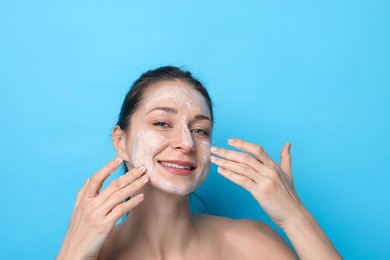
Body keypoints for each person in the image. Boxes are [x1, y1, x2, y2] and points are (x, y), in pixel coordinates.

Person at [56, 66, 340, 259]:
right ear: (120, 141)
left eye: (200, 130)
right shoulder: (92, 253)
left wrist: (294, 217)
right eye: (162, 122)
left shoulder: (251, 245)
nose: (187, 143)